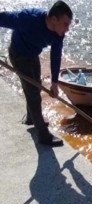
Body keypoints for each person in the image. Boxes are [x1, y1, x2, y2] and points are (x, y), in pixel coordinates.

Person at [0, 1, 73, 146]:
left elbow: (55, 55)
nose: (67, 29)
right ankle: (44, 136)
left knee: (36, 87)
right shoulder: (29, 18)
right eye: (65, 24)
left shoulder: (59, 34)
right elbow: (3, 18)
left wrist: (54, 83)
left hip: (33, 55)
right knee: (33, 93)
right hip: (18, 55)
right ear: (54, 20)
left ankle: (30, 118)